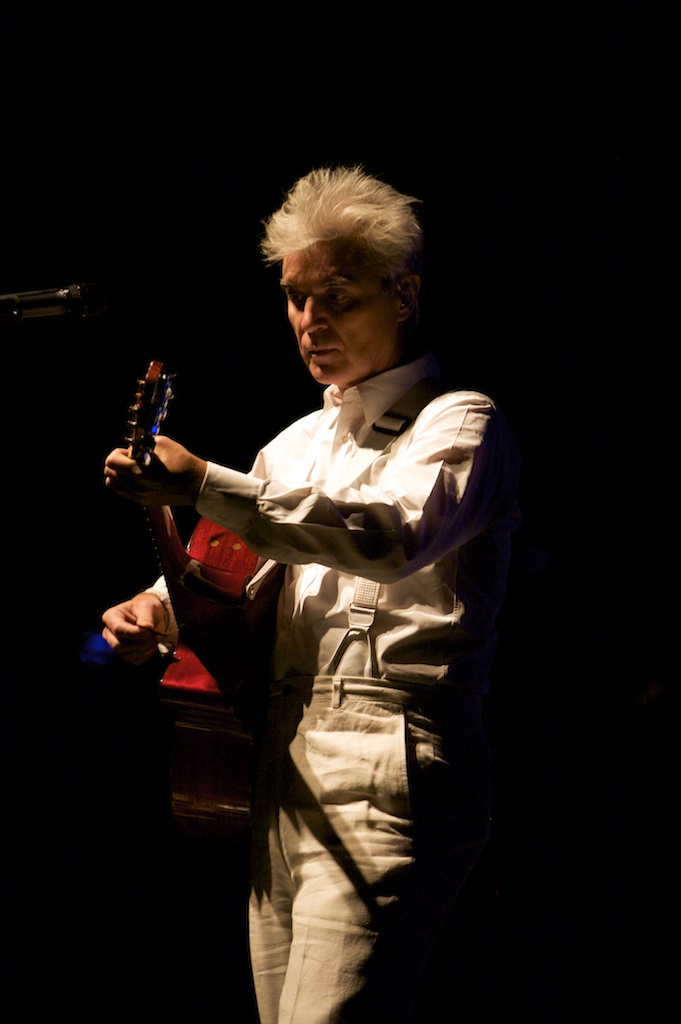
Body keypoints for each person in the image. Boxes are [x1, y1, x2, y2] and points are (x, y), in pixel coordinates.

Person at [101, 165, 521, 1024]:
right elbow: (231, 566)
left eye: (336, 296)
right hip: (281, 758)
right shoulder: (294, 443)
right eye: (295, 299)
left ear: (403, 293)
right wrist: (156, 610)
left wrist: (205, 482)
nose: (309, 321)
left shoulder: (460, 419)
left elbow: (388, 536)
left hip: (388, 753)